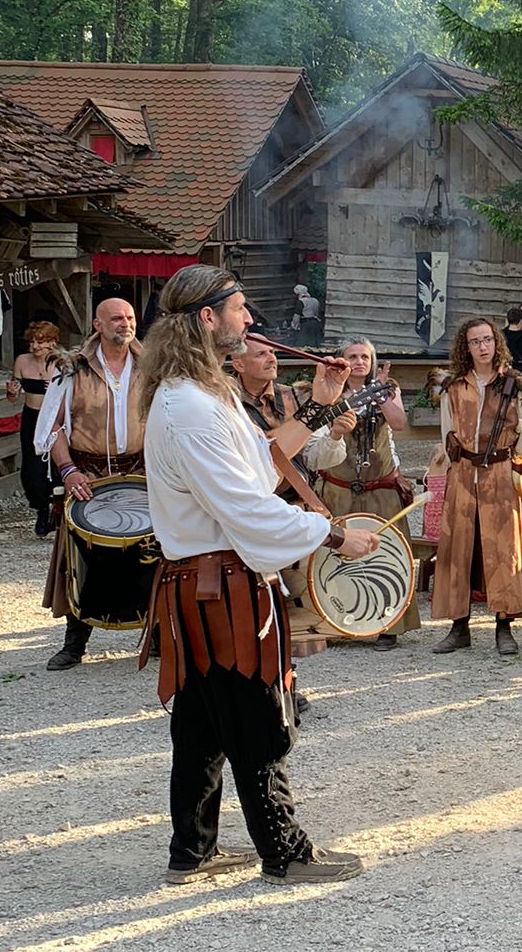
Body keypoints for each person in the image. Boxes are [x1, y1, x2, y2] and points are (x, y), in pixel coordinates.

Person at [137, 264, 376, 884]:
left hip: (205, 585)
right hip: (221, 588)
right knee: (255, 718)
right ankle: (285, 853)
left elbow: (261, 466)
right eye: (239, 308)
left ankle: (192, 851)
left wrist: (320, 405)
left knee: (201, 725)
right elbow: (246, 507)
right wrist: (334, 535)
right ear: (206, 318)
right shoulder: (190, 406)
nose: (249, 319)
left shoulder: (201, 394)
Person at [35, 296, 144, 670]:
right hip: (88, 476)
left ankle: (160, 635)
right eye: (116, 318)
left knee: (155, 553)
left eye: (129, 317)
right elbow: (52, 426)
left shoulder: (153, 366)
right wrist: (68, 470)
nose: (125, 324)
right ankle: (75, 643)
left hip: (143, 473)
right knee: (80, 556)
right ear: (98, 325)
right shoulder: (71, 368)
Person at [229, 338, 350, 661]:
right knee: (250, 603)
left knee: (298, 607)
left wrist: (335, 434)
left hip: (295, 507)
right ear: (238, 364)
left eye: (272, 352)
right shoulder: (224, 400)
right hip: (247, 512)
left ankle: (287, 674)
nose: (272, 358)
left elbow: (315, 457)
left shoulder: (294, 397)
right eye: (261, 354)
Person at [432, 316, 522, 655]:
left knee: (502, 551)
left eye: (487, 340)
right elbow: (447, 431)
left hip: (501, 472)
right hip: (464, 474)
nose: (482, 347)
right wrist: (455, 467)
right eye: (474, 342)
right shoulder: (454, 387)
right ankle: (459, 627)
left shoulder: (516, 385)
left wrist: (516, 470)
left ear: (496, 343)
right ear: (465, 347)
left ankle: (504, 626)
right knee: (459, 551)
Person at [313, 339, 419, 648]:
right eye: (352, 356)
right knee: (335, 555)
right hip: (339, 487)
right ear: (342, 360)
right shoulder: (331, 392)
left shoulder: (388, 388)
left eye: (365, 357)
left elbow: (399, 423)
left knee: (388, 552)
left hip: (381, 488)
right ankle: (336, 621)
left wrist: (381, 393)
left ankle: (389, 624)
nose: (359, 361)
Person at [8, 319, 61, 536]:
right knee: (32, 468)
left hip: (55, 418)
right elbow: (13, 396)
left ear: (52, 343)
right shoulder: (22, 361)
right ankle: (41, 508)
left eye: (40, 342)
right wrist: (12, 392)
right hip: (32, 416)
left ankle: (59, 509)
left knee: (57, 465)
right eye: (32, 342)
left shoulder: (61, 363)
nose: (35, 346)